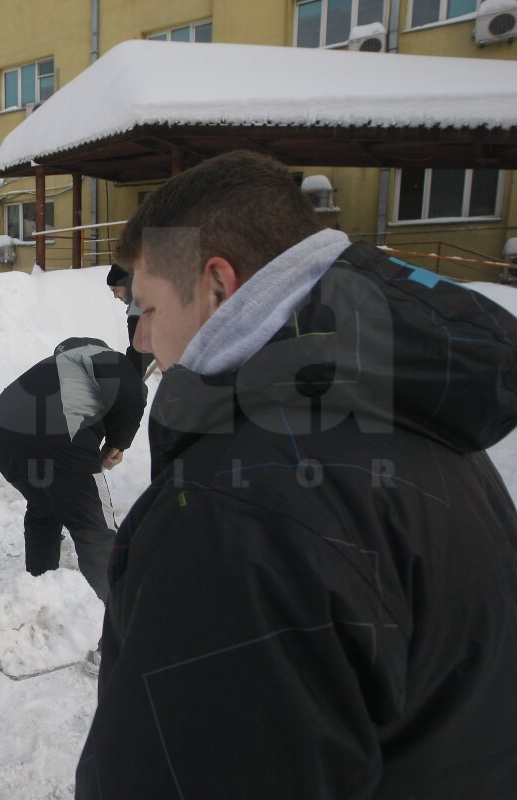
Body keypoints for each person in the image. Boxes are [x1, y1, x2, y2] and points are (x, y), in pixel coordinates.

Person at [76, 151, 517, 798]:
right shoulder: (416, 414)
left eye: (145, 308)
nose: (141, 341)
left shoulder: (237, 510)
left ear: (217, 285)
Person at [0, 337, 146, 604]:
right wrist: (118, 443)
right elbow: (132, 392)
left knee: (44, 507)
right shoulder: (111, 359)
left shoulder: (58, 366)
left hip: (2, 435)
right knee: (94, 529)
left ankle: (38, 592)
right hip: (59, 440)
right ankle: (123, 614)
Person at [105, 264, 151, 375]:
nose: (115, 296)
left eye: (116, 290)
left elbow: (139, 351)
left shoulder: (139, 309)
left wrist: (129, 379)